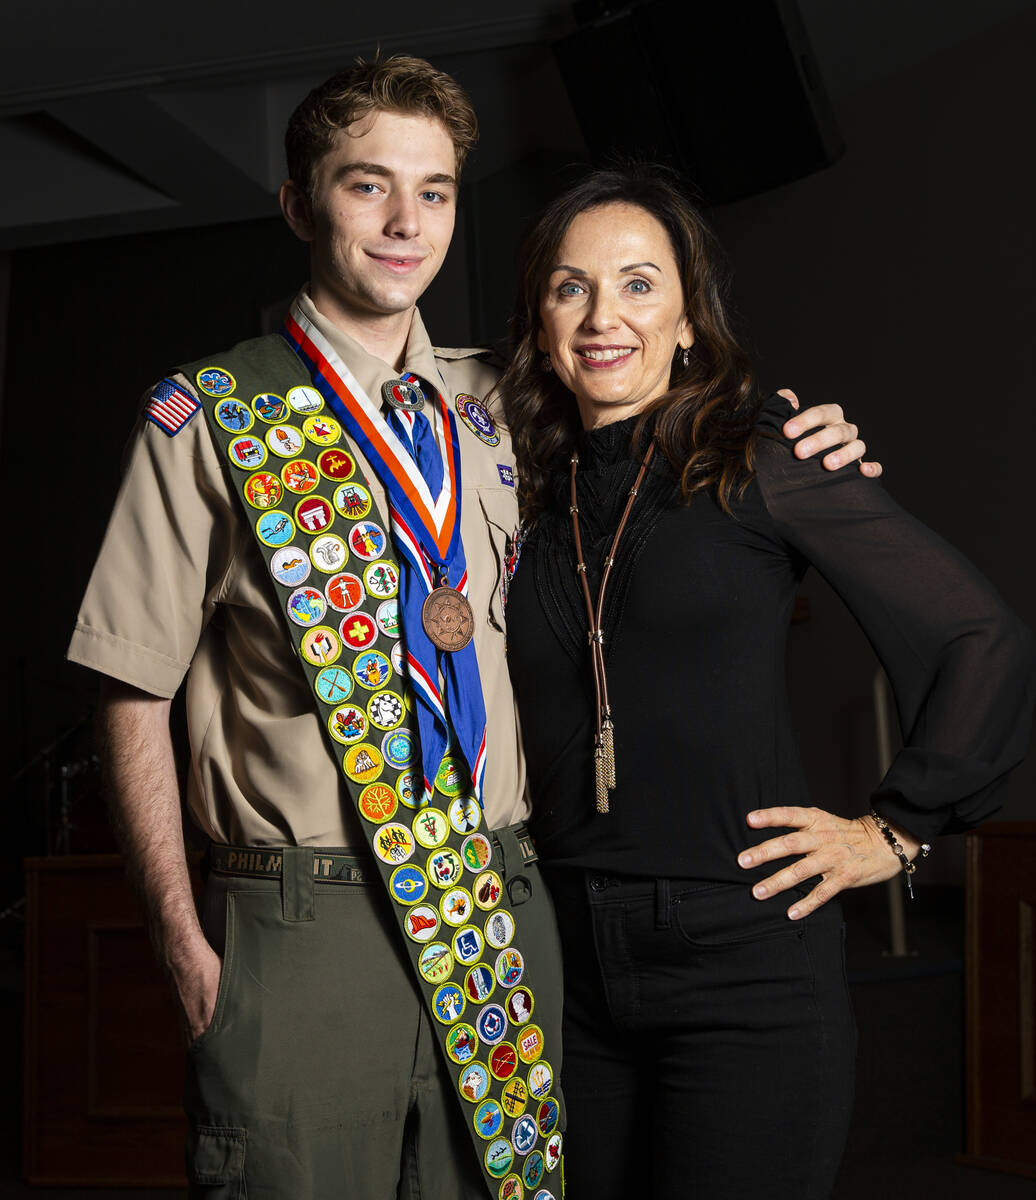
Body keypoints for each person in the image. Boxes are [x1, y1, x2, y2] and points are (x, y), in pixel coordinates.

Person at [67, 58, 877, 1199]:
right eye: (367, 187)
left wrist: (787, 429)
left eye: (435, 191)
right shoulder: (209, 419)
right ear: (302, 205)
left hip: (497, 900)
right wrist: (180, 942)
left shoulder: (498, 406)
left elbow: (645, 395)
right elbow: (130, 687)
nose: (406, 223)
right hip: (310, 917)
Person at [499, 166, 1036, 1199]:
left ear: (690, 319)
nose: (604, 316)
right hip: (560, 964)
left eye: (638, 284)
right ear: (539, 318)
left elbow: (983, 636)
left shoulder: (767, 460)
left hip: (741, 961)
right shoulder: (512, 488)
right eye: (570, 288)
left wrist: (893, 831)